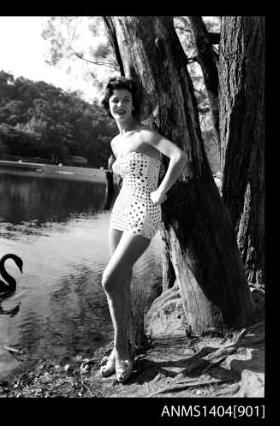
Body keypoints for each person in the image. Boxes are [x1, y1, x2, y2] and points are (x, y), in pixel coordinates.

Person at [100, 76, 188, 383]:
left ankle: (121, 349)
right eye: (114, 100)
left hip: (144, 211)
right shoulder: (115, 142)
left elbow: (179, 156)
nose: (120, 105)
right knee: (120, 283)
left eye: (125, 99)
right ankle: (121, 348)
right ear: (108, 105)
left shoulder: (145, 134)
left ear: (134, 103)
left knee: (108, 280)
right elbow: (123, 179)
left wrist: (161, 191)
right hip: (121, 210)